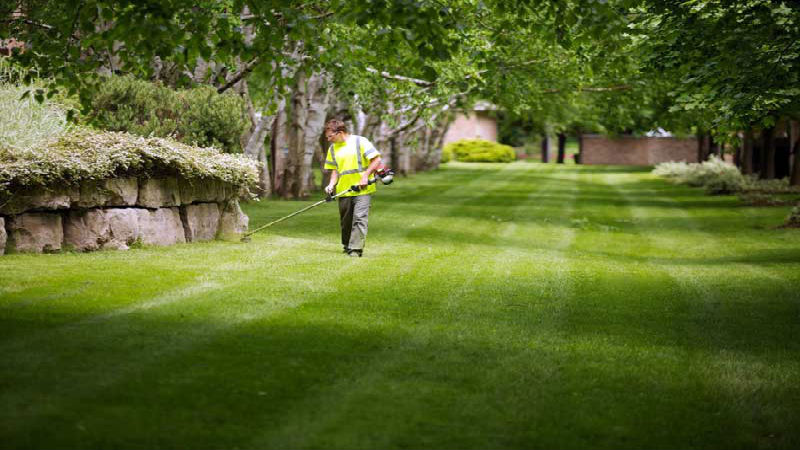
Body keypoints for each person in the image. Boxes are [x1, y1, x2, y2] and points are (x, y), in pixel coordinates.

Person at [323, 119, 383, 257]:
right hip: (344, 189)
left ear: (340, 132)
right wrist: (331, 184)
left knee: (360, 218)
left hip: (363, 189)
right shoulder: (332, 148)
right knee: (346, 220)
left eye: (330, 136)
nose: (328, 140)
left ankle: (356, 249)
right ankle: (347, 245)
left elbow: (377, 160)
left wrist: (365, 176)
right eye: (327, 137)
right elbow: (335, 170)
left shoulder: (360, 141)